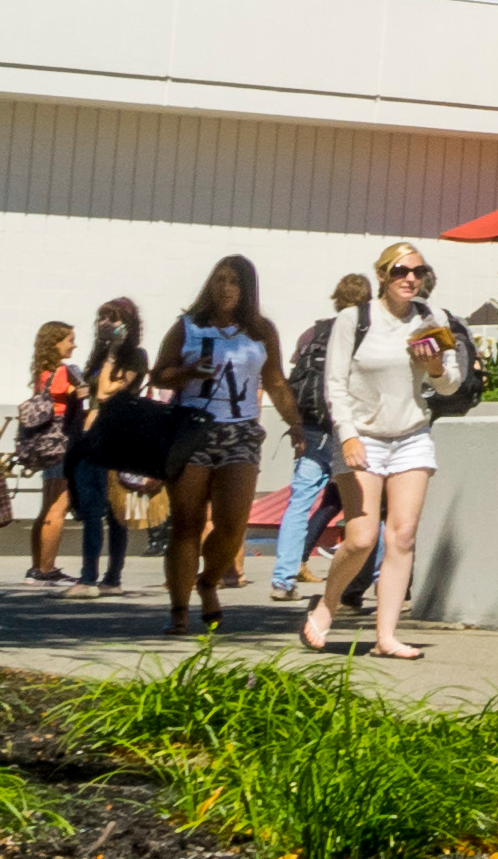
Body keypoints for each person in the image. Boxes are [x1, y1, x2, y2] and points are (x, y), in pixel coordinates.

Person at [304, 242, 464, 660]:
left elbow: (450, 384)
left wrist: (432, 366)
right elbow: (334, 384)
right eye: (400, 271)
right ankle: (327, 605)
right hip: (363, 437)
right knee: (359, 538)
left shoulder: (432, 319)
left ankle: (386, 636)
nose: (410, 278)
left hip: (411, 434)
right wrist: (348, 436)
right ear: (382, 276)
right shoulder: (353, 319)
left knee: (403, 535)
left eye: (418, 271)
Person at [154, 256, 287, 637]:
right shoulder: (187, 327)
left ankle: (209, 581)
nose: (226, 287)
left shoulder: (261, 331)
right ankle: (179, 611)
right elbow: (159, 372)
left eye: (235, 282)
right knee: (187, 523)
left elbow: (275, 380)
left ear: (247, 290)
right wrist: (186, 373)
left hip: (241, 430)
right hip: (193, 427)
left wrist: (296, 426)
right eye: (220, 279)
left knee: (232, 525)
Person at [272, 271, 370, 606]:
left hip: (312, 427)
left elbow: (293, 377)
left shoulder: (311, 333)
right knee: (368, 506)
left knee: (299, 503)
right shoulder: (366, 333)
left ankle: (283, 578)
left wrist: (296, 424)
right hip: (349, 432)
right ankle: (360, 582)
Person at [64, 302, 144, 594]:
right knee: (91, 506)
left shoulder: (135, 356)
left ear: (128, 324)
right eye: (102, 318)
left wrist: (114, 350)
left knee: (112, 508)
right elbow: (93, 393)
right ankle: (97, 576)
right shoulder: (98, 354)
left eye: (114, 319)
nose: (105, 323)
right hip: (88, 434)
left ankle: (101, 578)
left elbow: (108, 391)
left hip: (115, 435)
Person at [15, 321, 84, 584]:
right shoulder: (63, 373)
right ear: (55, 342)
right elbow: (80, 396)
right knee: (58, 506)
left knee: (46, 506)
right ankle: (45, 569)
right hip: (61, 442)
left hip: (43, 445)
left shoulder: (41, 372)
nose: (73, 344)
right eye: (69, 339)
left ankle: (38, 567)